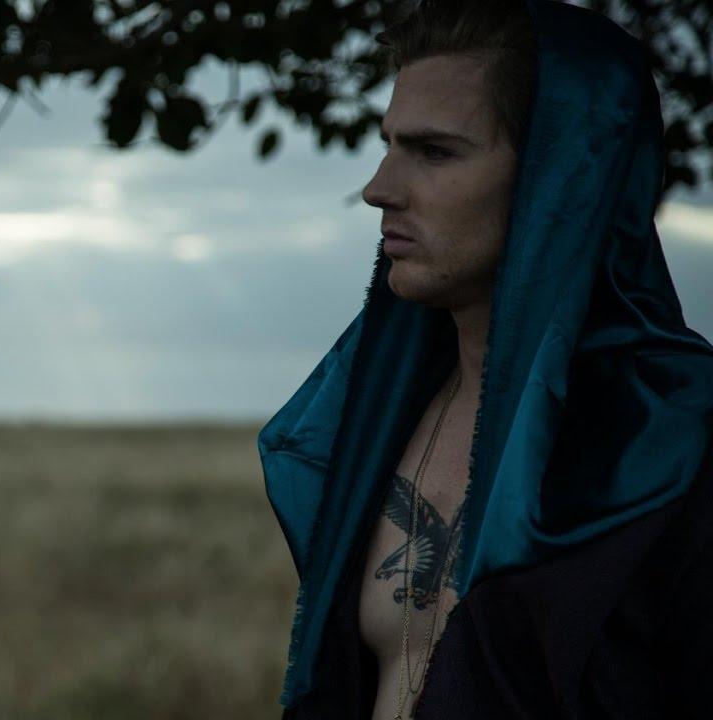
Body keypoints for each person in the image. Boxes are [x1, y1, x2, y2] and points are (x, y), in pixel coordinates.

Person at [258, 0, 713, 717]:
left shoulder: (676, 441)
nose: (379, 189)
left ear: (559, 176)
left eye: (434, 152)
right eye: (388, 145)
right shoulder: (375, 423)